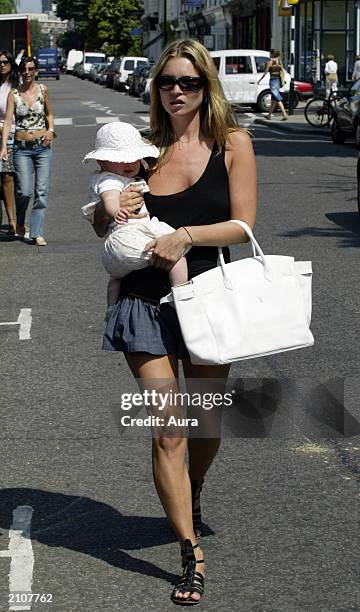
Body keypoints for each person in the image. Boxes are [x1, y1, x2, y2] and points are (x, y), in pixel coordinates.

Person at [100, 39, 257, 605]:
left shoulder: (233, 143)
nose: (176, 91)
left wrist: (185, 235)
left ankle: (192, 488)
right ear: (156, 87)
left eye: (188, 82)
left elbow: (244, 227)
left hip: (209, 296)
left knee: (205, 424)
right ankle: (191, 552)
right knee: (168, 427)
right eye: (167, 81)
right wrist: (108, 207)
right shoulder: (145, 148)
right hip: (143, 302)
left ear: (205, 86)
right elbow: (104, 222)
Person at [81, 121, 190, 306]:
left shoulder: (125, 174)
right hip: (127, 234)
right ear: (102, 162)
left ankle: (111, 309)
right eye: (121, 159)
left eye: (134, 158)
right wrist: (116, 209)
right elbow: (110, 199)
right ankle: (181, 295)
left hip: (130, 238)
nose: (130, 163)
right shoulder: (109, 179)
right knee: (176, 255)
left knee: (115, 279)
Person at [0, 55, 55, 246]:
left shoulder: (43, 90)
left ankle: (37, 232)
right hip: (21, 148)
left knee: (41, 190)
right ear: (21, 71)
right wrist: (3, 147)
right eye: (24, 69)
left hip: (42, 148)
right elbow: (8, 121)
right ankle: (21, 222)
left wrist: (51, 130)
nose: (27, 72)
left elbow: (49, 113)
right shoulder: (13, 94)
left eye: (31, 69)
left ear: (36, 71)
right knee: (23, 191)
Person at [0, 49, 18, 235]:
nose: (2, 65)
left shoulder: (17, 85)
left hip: (16, 136)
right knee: (6, 177)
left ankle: (15, 219)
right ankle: (11, 220)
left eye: (5, 61)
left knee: (12, 178)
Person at [258, 50, 288, 121]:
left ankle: (284, 114)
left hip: (273, 81)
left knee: (277, 98)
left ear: (272, 55)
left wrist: (260, 80)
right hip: (278, 81)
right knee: (274, 99)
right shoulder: (279, 62)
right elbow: (282, 71)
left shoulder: (270, 62)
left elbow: (265, 72)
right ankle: (269, 115)